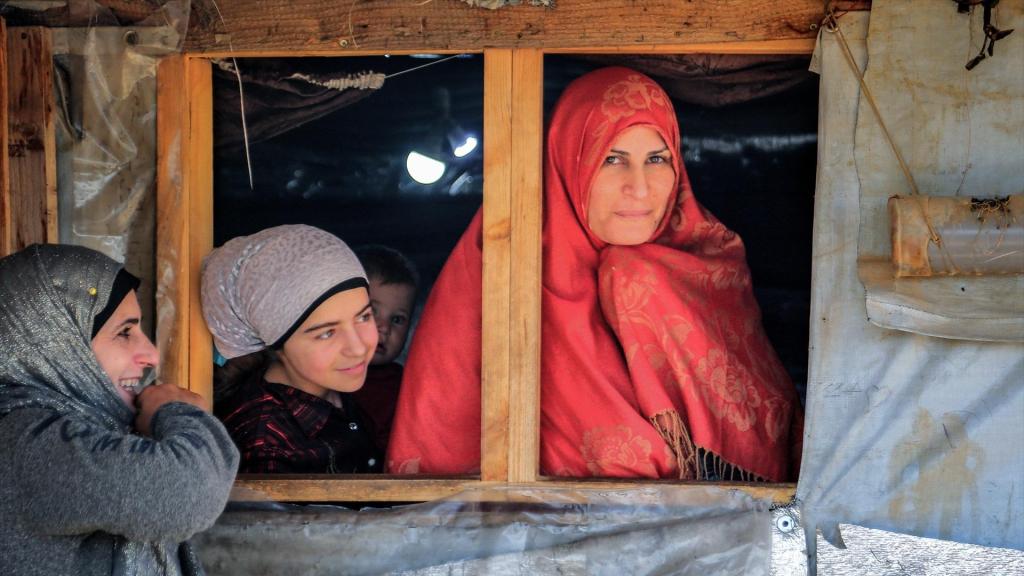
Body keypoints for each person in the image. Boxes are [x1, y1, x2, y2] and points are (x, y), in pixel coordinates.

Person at [388, 67, 803, 481]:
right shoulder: (500, 271)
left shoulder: (713, 267)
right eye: (612, 159)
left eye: (656, 159)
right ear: (570, 159)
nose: (639, 188)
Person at [0, 243, 239, 576]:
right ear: (59, 344)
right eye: (125, 332)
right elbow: (186, 493)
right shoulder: (26, 443)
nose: (150, 355)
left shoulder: (76, 428)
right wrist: (178, 413)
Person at [201, 224, 383, 473]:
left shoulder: (334, 388)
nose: (358, 347)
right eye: (327, 333)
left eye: (363, 317)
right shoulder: (264, 444)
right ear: (276, 344)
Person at [351, 244, 419, 454]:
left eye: (397, 319)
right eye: (372, 311)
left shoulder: (407, 386)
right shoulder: (320, 373)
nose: (385, 328)